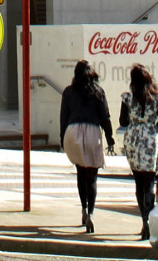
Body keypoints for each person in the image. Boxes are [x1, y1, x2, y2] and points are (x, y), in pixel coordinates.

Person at [58, 58, 115, 236]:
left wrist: (62, 139)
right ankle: (91, 213)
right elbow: (105, 116)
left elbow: (63, 117)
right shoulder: (98, 92)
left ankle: (83, 209)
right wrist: (110, 137)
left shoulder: (68, 92)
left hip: (72, 131)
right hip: (92, 132)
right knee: (92, 177)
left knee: (80, 173)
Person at [118, 64, 158, 241]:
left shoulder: (127, 98)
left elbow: (122, 121)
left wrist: (135, 121)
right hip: (150, 141)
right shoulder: (157, 98)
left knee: (139, 183)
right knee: (150, 182)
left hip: (133, 141)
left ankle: (144, 219)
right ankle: (149, 218)